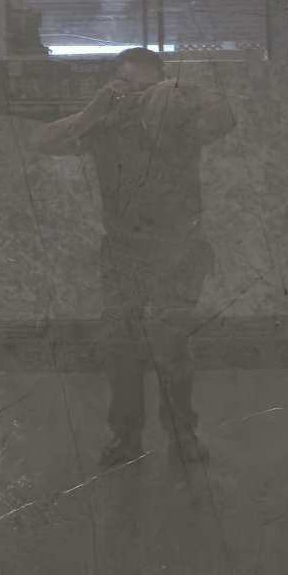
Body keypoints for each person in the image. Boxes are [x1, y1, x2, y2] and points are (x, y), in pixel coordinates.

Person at [36, 47, 235, 465]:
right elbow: (45, 142)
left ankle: (182, 434)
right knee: (120, 348)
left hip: (177, 248)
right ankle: (126, 437)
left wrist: (183, 91)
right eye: (129, 86)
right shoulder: (105, 123)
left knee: (173, 347)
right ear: (115, 85)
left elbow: (225, 119)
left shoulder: (181, 121)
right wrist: (95, 109)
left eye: (148, 87)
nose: (138, 96)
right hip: (122, 250)